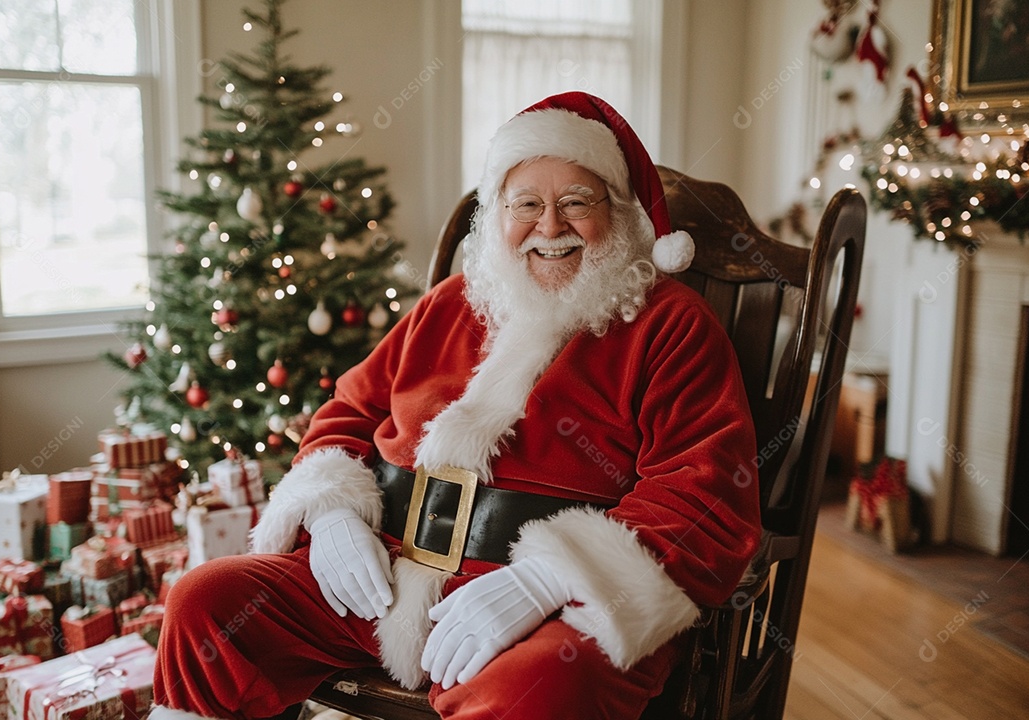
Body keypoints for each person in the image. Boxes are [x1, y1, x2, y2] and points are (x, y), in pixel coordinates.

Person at [150, 92, 761, 720]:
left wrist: (548, 578)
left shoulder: (672, 326)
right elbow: (350, 409)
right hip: (380, 581)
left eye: (576, 203)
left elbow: (702, 494)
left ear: (623, 216)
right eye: (526, 204)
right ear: (497, 215)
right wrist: (331, 514)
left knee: (546, 685)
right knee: (206, 604)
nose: (549, 227)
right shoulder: (450, 302)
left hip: (543, 609)